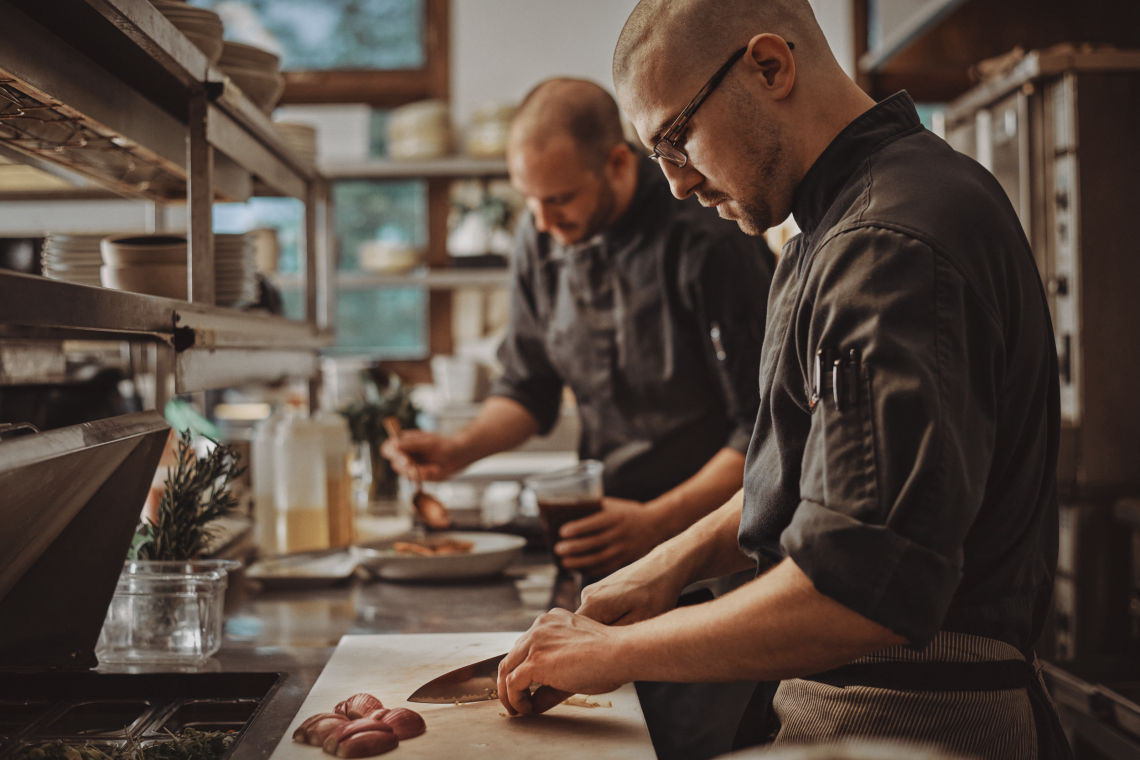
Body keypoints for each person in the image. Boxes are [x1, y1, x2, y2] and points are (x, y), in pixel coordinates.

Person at [495, 2, 1072, 759]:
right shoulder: (836, 226)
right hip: (849, 703)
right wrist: (670, 563)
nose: (674, 184)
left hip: (922, 721)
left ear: (769, 66)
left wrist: (607, 655)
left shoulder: (887, 245)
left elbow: (856, 591)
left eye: (677, 139)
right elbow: (818, 481)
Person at [382, 78, 775, 579]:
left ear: (616, 163)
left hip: (716, 541)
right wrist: (458, 449)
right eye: (530, 200)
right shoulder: (540, 234)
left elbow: (763, 429)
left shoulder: (709, 239)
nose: (543, 223)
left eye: (560, 199)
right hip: (611, 535)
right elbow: (528, 386)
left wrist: (657, 522)